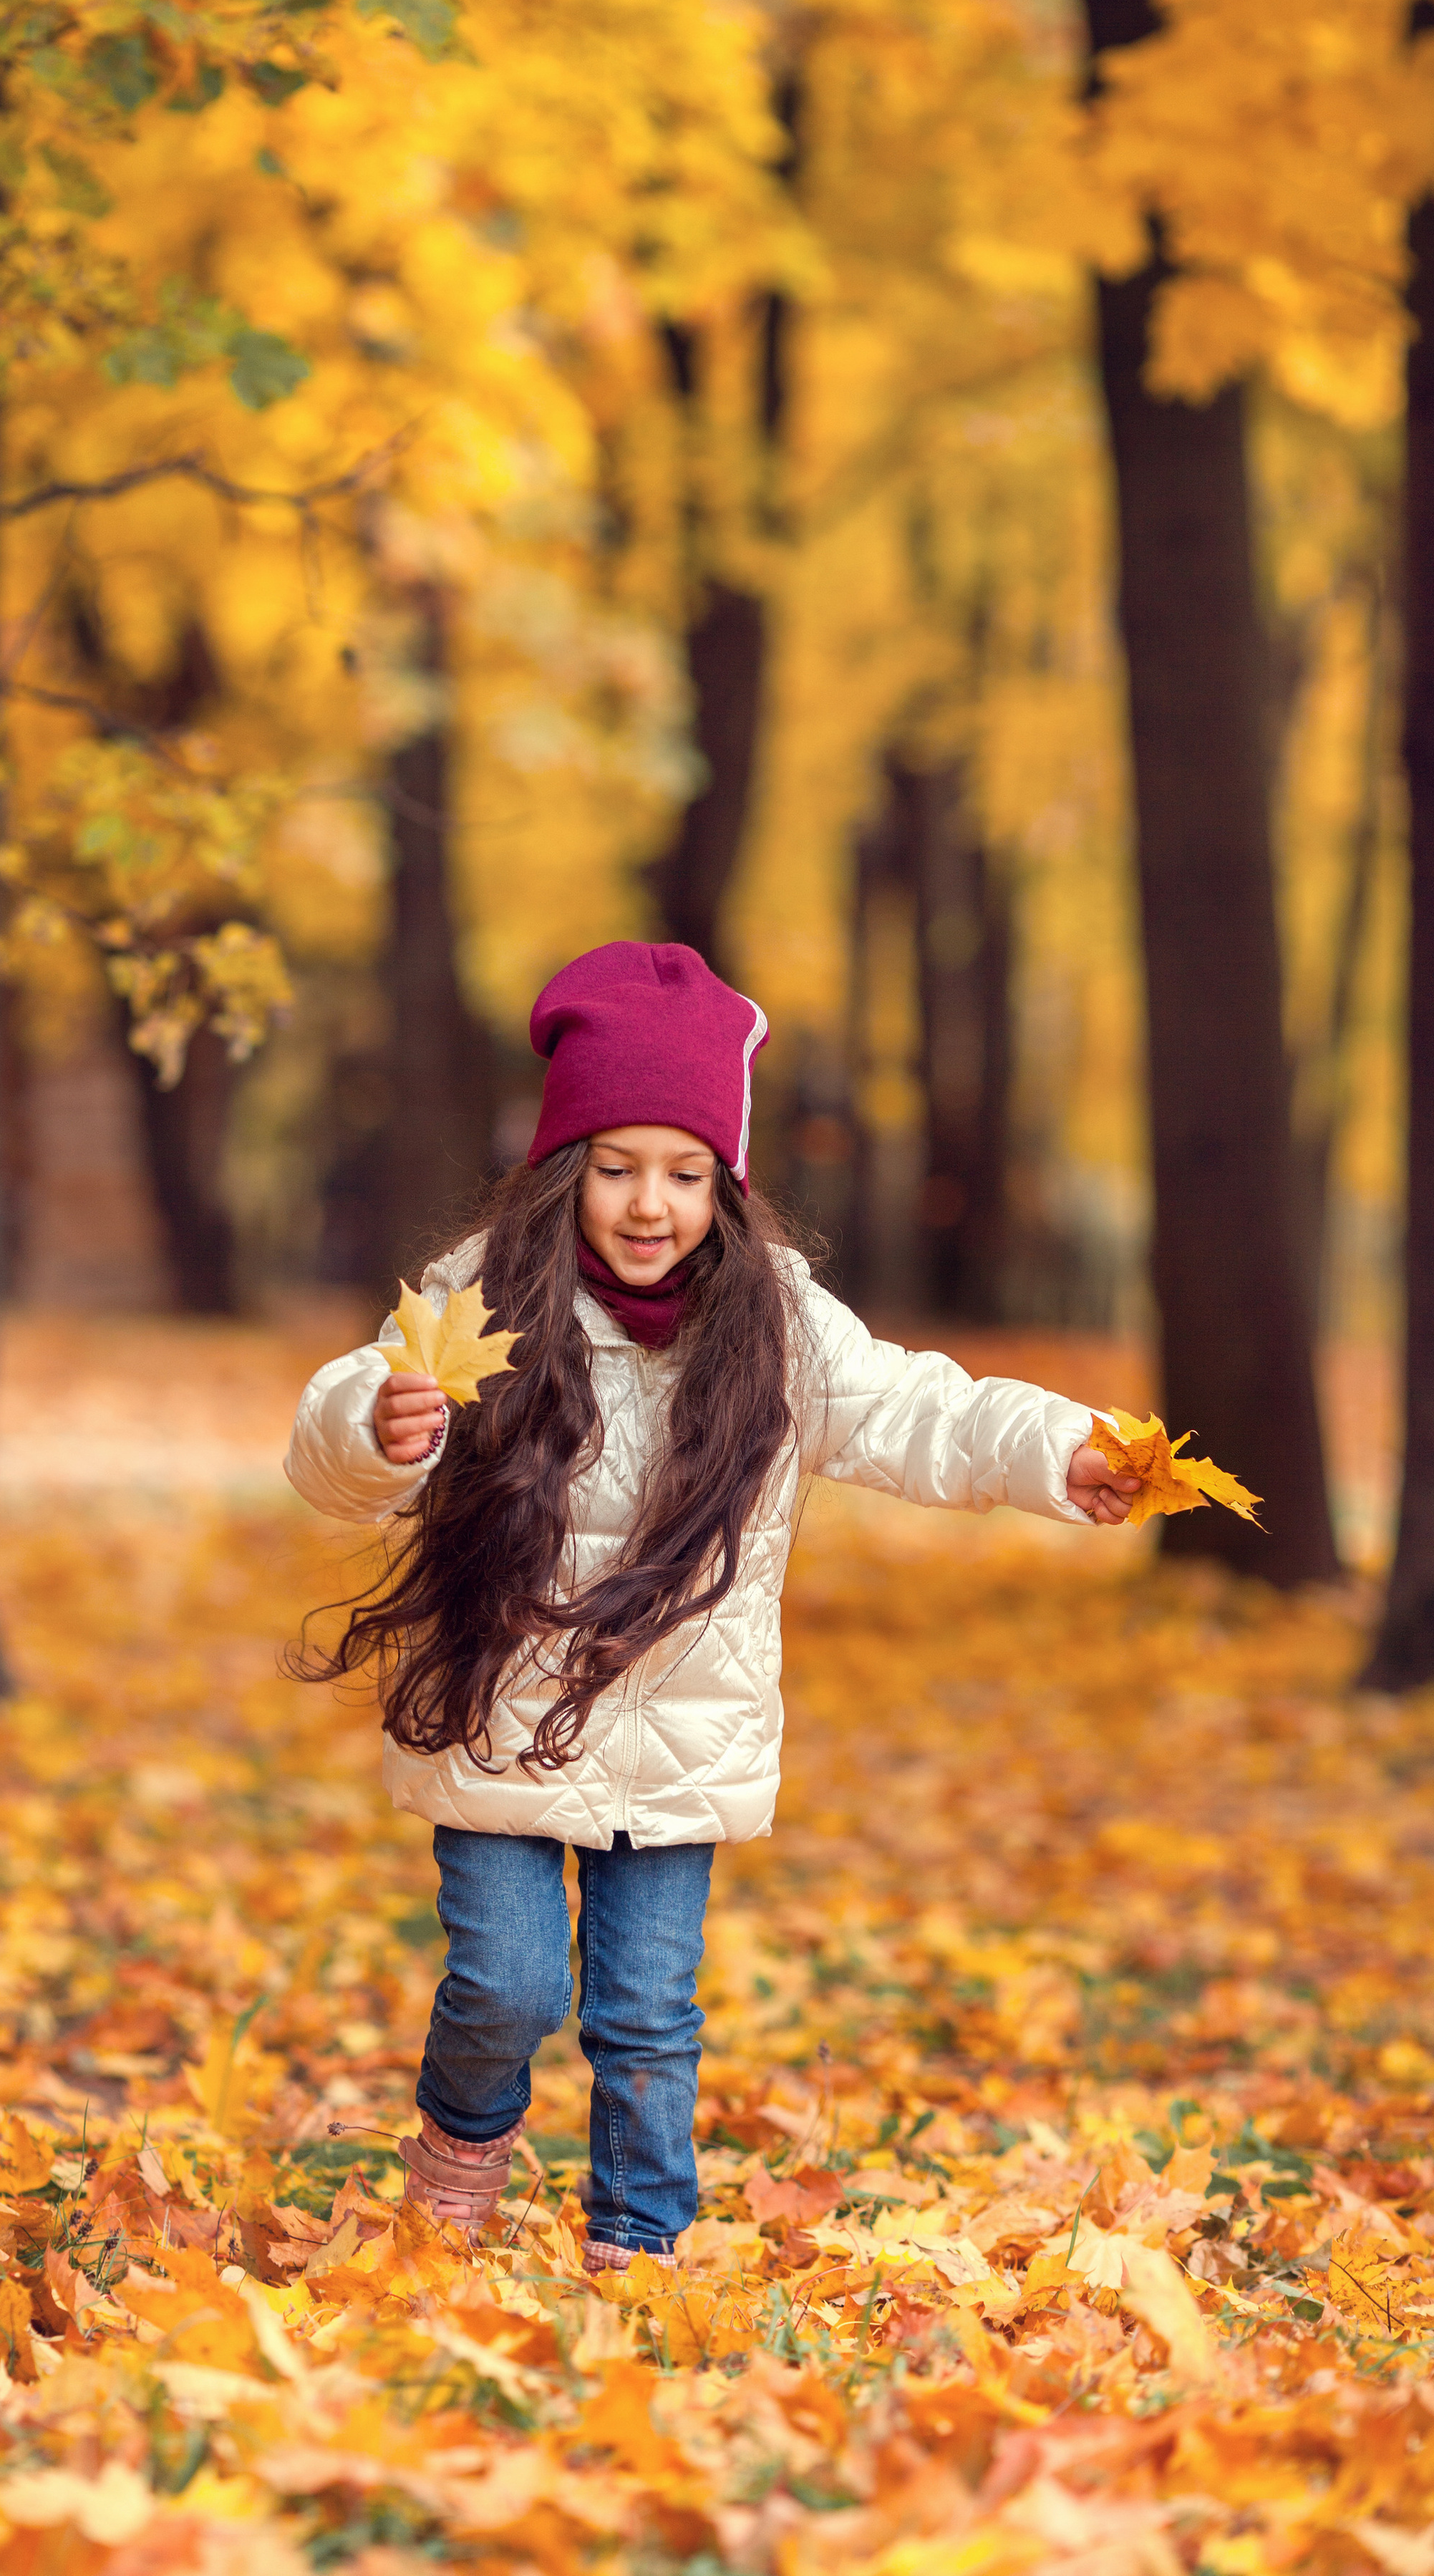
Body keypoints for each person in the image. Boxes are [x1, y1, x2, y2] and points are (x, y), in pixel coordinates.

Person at [284, 941, 1139, 2270]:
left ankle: (640, 2246)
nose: (648, 1204)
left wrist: (1062, 1449)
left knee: (643, 2012)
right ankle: (459, 2150)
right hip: (500, 1720)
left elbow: (924, 1410)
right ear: (566, 1169)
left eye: (685, 1174)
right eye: (617, 1167)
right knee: (504, 1988)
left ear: (725, 1186)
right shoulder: (479, 1300)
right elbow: (335, 1445)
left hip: (684, 1736)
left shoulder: (778, 1323)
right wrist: (380, 1429)